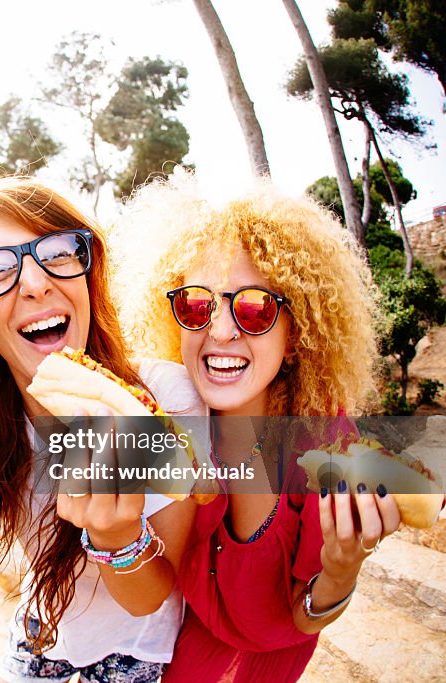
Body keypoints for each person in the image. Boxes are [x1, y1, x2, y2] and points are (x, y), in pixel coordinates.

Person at [115, 177, 417, 682]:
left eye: (254, 308)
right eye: (196, 305)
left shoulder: (327, 445)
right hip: (181, 650)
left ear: (295, 337)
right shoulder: (168, 417)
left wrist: (342, 567)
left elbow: (302, 617)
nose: (221, 330)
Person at [0, 178, 201, 683]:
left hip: (135, 650)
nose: (36, 283)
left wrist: (116, 535)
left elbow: (150, 595)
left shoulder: (162, 397)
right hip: (38, 635)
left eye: (59, 252)